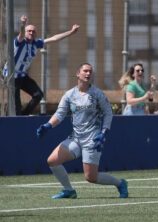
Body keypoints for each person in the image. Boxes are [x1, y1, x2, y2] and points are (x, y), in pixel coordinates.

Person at [36, 63, 128, 199]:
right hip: (76, 138)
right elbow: (60, 114)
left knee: (91, 177)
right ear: (78, 74)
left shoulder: (97, 94)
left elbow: (108, 113)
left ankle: (120, 183)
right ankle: (69, 190)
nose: (88, 73)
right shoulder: (69, 95)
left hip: (93, 140)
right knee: (52, 161)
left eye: (90, 71)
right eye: (85, 71)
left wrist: (104, 133)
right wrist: (48, 125)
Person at [2, 15, 80, 115]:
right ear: (25, 32)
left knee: (38, 95)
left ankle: (23, 116)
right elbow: (21, 34)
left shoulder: (36, 43)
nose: (31, 33)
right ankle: (18, 117)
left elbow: (54, 38)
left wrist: (71, 32)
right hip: (11, 76)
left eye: (33, 31)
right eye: (29, 31)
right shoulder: (20, 42)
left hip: (22, 75)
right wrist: (22, 24)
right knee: (16, 106)